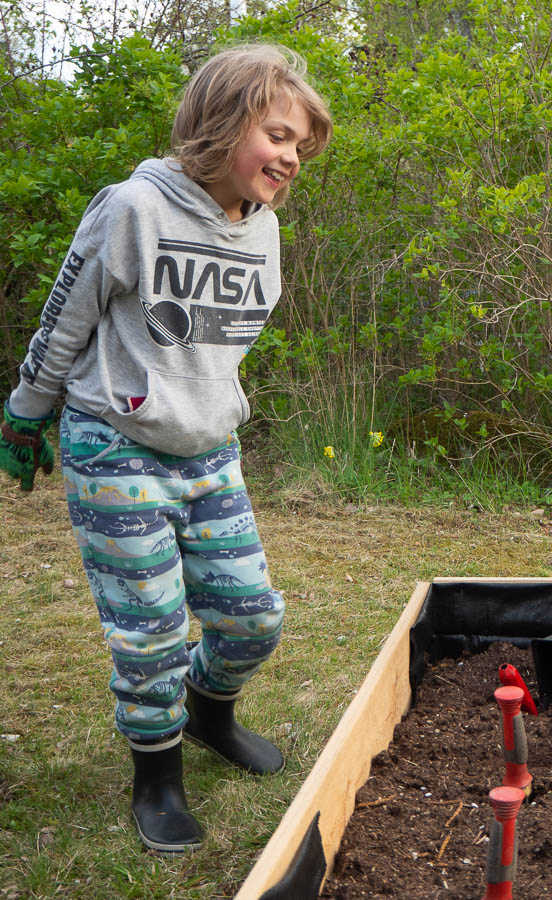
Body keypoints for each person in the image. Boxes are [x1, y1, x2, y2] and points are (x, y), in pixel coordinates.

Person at [0, 44, 332, 853]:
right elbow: (66, 319)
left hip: (209, 450)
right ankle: (156, 775)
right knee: (148, 627)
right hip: (113, 444)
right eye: (278, 135)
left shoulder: (264, 232)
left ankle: (209, 712)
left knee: (252, 617)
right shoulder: (133, 209)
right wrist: (26, 413)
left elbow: (220, 348)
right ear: (221, 124)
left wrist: (205, 410)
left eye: (299, 145)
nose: (291, 157)